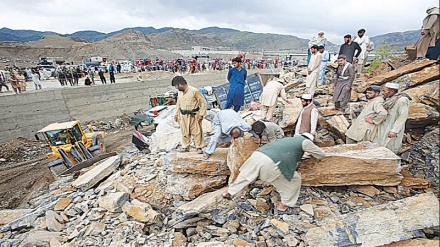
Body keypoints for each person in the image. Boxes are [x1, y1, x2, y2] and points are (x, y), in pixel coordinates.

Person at [222, 133, 326, 212]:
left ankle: (229, 191)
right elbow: (320, 154)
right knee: (293, 179)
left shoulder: (289, 139)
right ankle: (284, 204)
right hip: (272, 161)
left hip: (258, 154)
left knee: (245, 176)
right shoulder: (305, 142)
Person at [172, 76, 207, 154]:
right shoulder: (180, 92)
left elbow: (203, 103)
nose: (176, 88)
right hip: (183, 115)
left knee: (197, 131)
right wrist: (176, 114)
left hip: (194, 115)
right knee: (184, 131)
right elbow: (178, 103)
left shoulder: (194, 91)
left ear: (180, 84)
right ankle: (185, 146)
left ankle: (199, 147)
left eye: (176, 86)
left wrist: (201, 114)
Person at [373, 83, 409, 154]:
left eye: (384, 91)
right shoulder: (389, 99)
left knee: (390, 148)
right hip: (384, 127)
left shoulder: (402, 100)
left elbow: (403, 116)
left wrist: (394, 130)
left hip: (392, 128)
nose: (382, 93)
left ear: (391, 91)